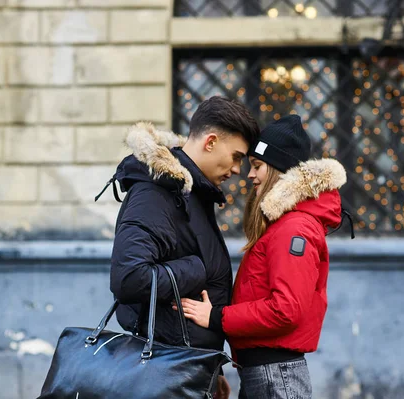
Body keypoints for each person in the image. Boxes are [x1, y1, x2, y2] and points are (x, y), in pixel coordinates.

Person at [174, 115, 348, 399]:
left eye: (257, 166)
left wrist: (216, 317)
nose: (250, 175)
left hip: (275, 377)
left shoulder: (295, 228)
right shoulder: (284, 226)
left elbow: (286, 309)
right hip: (266, 375)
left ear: (279, 170)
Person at [107, 96, 260, 398]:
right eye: (237, 156)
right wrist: (195, 269)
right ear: (211, 141)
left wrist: (210, 368)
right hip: (164, 373)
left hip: (185, 369)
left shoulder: (192, 194)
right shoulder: (156, 193)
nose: (238, 169)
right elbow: (128, 278)